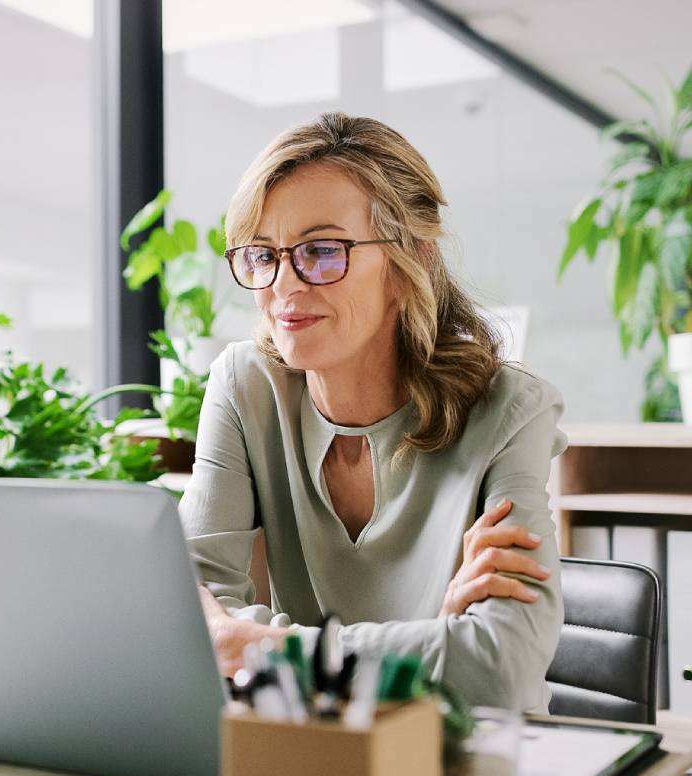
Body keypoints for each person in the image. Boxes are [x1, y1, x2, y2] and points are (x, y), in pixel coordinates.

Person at [179, 112, 567, 713]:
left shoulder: (511, 411)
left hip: (466, 753)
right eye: (261, 255)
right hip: (310, 750)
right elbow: (184, 622)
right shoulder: (245, 386)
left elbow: (499, 669)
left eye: (321, 251)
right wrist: (432, 642)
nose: (283, 285)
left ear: (412, 261)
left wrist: (256, 645)